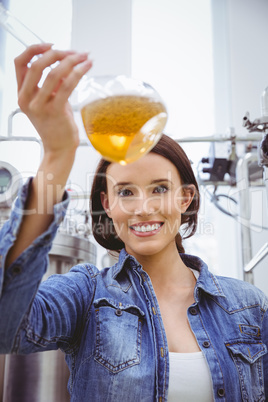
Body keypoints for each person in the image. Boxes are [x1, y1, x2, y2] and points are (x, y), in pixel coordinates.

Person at [0, 44, 267, 402]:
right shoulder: (86, 295)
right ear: (107, 205)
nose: (142, 208)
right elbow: (6, 326)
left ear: (185, 198)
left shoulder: (249, 305)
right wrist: (57, 153)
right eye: (126, 193)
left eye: (159, 189)